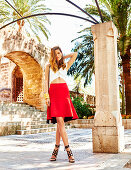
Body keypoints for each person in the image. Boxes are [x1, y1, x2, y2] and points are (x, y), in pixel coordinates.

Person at [44, 46, 79, 163]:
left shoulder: (65, 65)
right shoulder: (48, 67)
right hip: (53, 93)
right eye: (55, 54)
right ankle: (69, 151)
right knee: (60, 121)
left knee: (60, 122)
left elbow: (75, 54)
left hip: (64, 92)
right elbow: (45, 83)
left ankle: (56, 149)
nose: (58, 55)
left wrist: (61, 57)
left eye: (59, 53)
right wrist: (46, 96)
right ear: (52, 55)